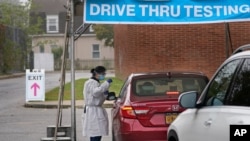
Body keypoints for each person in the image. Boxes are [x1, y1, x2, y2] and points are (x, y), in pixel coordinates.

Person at [82, 66, 112, 141]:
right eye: (103, 73)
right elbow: (95, 92)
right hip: (93, 111)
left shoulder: (95, 82)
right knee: (95, 133)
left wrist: (105, 95)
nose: (104, 75)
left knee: (97, 133)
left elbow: (98, 97)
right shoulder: (91, 82)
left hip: (96, 110)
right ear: (97, 73)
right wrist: (106, 84)